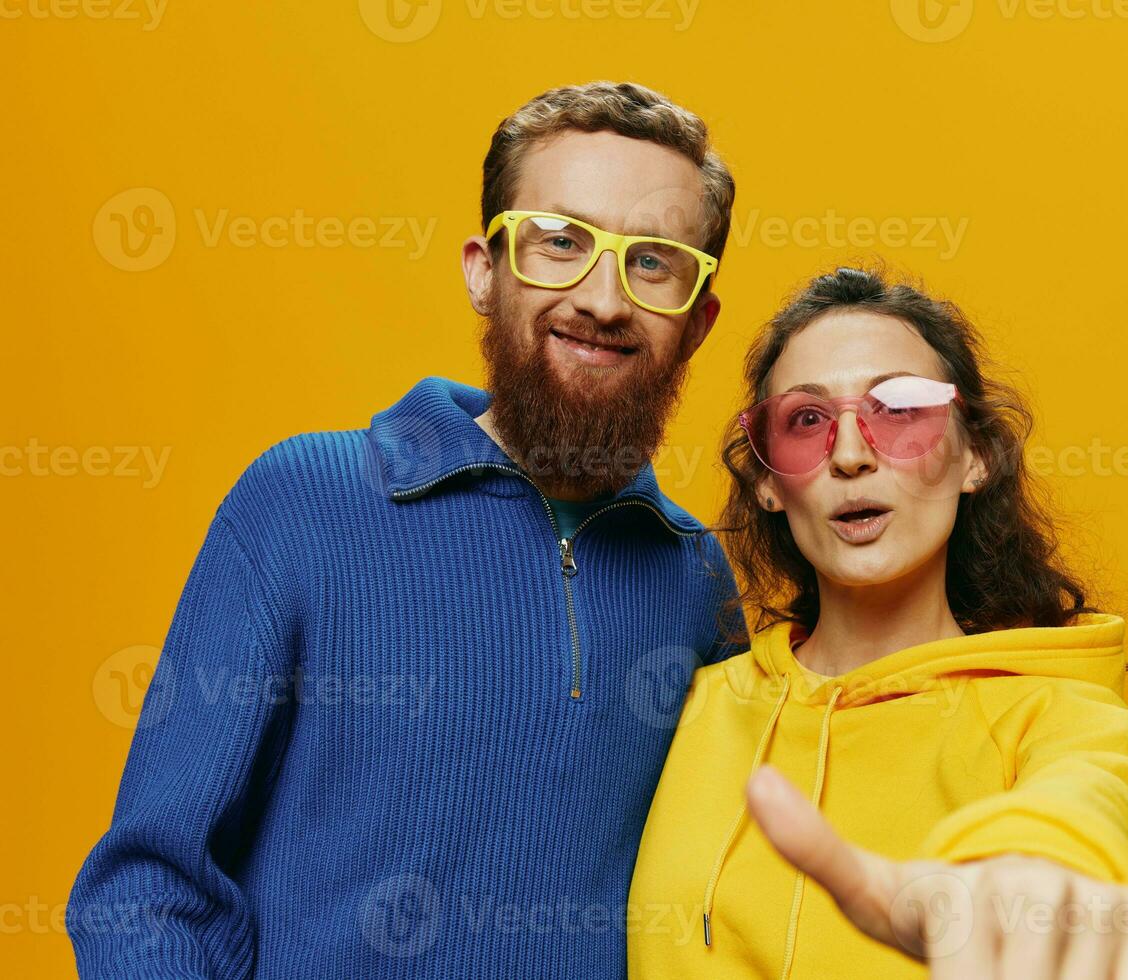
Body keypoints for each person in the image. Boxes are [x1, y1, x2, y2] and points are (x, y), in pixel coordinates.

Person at [67, 80, 744, 978]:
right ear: (482, 268)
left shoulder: (697, 579)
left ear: (696, 322)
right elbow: (144, 890)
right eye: (560, 243)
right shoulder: (303, 502)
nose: (603, 299)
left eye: (653, 262)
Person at [628, 267, 1128, 979]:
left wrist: (1043, 873)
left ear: (975, 456)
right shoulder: (689, 707)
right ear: (768, 481)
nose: (852, 454)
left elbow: (1099, 802)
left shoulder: (1061, 718)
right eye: (805, 421)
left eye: (899, 411)